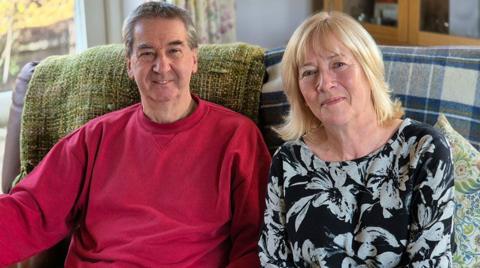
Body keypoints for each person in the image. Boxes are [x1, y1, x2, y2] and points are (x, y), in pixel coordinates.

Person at [0, 2, 271, 267]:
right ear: (129, 64)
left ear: (194, 60)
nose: (161, 66)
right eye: (146, 53)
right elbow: (28, 212)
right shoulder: (94, 138)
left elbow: (254, 244)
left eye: (174, 51)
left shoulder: (237, 137)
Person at [258, 11, 454, 267]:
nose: (324, 83)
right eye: (309, 72)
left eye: (338, 64)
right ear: (299, 91)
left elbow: (430, 262)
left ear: (368, 68)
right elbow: (273, 259)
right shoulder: (288, 162)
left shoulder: (425, 150)